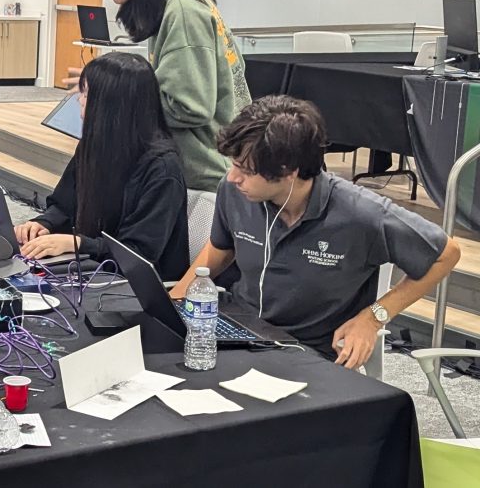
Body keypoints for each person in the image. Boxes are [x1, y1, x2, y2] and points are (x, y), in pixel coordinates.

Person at [170, 95, 460, 368]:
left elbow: (446, 254)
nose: (233, 177)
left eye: (246, 170)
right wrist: (174, 305)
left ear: (288, 170)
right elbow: (220, 249)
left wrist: (373, 318)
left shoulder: (360, 213)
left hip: (306, 351)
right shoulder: (234, 193)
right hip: (240, 329)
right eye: (233, 165)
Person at [69, 0, 251, 192]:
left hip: (206, 177)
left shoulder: (183, 12)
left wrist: (112, 93)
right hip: (199, 168)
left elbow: (188, 107)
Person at [15, 52, 189, 279]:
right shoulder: (94, 145)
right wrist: (43, 223)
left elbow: (137, 254)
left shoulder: (163, 169)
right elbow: (64, 205)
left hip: (136, 289)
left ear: (110, 105)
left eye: (86, 94)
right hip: (91, 271)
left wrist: (78, 244)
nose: (80, 100)